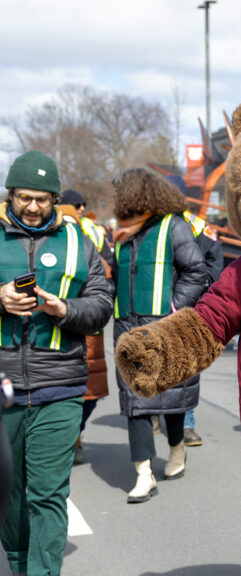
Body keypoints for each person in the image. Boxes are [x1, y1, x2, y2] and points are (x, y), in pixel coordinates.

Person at [0, 151, 113, 575]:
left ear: (55, 199)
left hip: (60, 389)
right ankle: (16, 562)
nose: (33, 207)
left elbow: (102, 304)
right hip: (4, 390)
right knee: (9, 492)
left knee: (47, 492)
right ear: (11, 194)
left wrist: (65, 310)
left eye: (43, 199)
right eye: (25, 197)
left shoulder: (80, 243)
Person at [111, 169, 206, 503]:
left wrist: (173, 308)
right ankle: (143, 472)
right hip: (127, 329)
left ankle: (177, 446)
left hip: (163, 328)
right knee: (134, 401)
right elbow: (113, 280)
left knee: (171, 395)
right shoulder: (121, 236)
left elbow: (197, 272)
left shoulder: (174, 227)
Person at [56, 190, 115, 466]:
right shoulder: (54, 229)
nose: (82, 208)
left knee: (91, 392)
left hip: (89, 321)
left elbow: (108, 268)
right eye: (77, 204)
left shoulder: (92, 231)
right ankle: (68, 440)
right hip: (58, 322)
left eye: (84, 204)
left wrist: (103, 298)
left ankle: (74, 435)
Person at [170, 174, 226, 447]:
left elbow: (215, 270)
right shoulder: (150, 227)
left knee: (188, 366)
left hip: (189, 310)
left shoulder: (200, 228)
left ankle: (187, 423)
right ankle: (161, 415)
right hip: (162, 309)